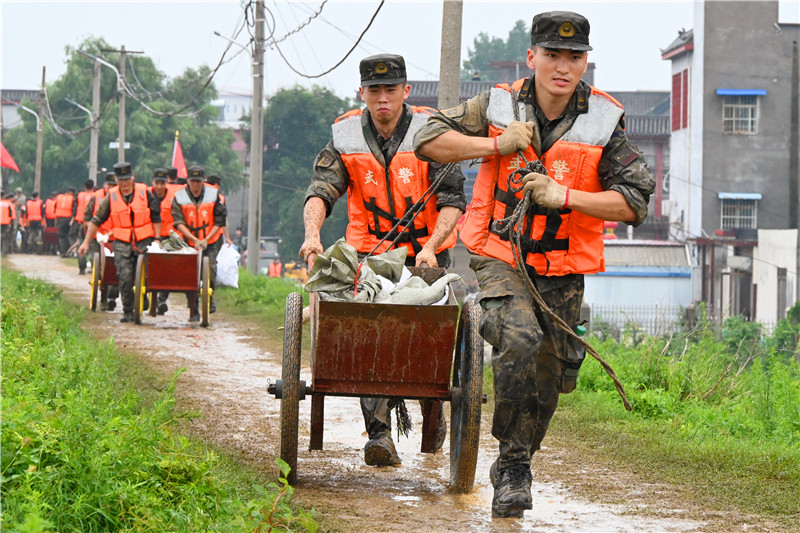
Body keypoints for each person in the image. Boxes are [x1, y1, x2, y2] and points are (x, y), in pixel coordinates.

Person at [414, 11, 655, 518]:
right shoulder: (498, 104)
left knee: (553, 377)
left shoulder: (605, 118)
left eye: (574, 57)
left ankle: (518, 458)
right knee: (521, 337)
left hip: (564, 264)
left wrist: (563, 194)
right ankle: (515, 464)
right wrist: (494, 145)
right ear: (532, 58)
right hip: (500, 252)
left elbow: (635, 202)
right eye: (552, 55)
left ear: (586, 62)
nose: (563, 67)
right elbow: (428, 139)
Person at [299, 53, 467, 467]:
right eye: (374, 91)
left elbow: (452, 201)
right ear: (363, 94)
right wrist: (312, 236)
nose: (383, 99)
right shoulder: (346, 136)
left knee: (430, 334)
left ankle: (433, 411)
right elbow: (321, 190)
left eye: (391, 90)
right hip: (368, 258)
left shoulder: (432, 133)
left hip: (425, 257)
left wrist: (431, 246)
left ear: (406, 91)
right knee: (366, 333)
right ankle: (379, 435)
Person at [78, 162, 162, 323]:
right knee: (124, 276)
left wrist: (157, 239)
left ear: (133, 177)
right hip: (122, 241)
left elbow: (156, 216)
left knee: (147, 273)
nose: (124, 184)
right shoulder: (112, 196)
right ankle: (128, 310)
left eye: (127, 179)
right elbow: (96, 220)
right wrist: (86, 242)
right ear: (116, 179)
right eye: (120, 180)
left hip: (143, 240)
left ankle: (143, 297)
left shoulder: (145, 192)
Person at [172, 165, 226, 321]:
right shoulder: (179, 196)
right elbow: (178, 222)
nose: (195, 185)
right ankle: (193, 308)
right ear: (188, 181)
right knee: (188, 274)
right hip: (189, 240)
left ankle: (209, 298)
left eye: (198, 181)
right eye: (192, 181)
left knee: (210, 269)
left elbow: (220, 221)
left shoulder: (214, 196)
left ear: (203, 181)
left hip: (211, 239)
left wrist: (206, 240)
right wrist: (194, 239)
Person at [84, 172, 119, 311]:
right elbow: (87, 218)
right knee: (100, 269)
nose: (110, 187)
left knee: (116, 266)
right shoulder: (96, 198)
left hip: (116, 237)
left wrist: (111, 233)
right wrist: (96, 233)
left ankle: (112, 297)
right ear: (104, 185)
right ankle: (103, 299)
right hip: (97, 238)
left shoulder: (120, 198)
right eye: (108, 185)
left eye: (113, 185)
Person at [149, 168, 182, 315]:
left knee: (168, 267)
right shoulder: (146, 195)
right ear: (153, 182)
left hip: (169, 237)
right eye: (157, 183)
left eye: (163, 183)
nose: (160, 186)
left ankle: (161, 300)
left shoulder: (174, 197)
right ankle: (143, 295)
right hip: (151, 236)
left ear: (166, 182)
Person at [74, 179, 95, 274]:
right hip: (92, 224)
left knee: (81, 244)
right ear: (93, 187)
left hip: (81, 223)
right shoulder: (96, 196)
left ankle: (82, 268)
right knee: (92, 246)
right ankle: (94, 267)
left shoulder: (80, 195)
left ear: (84, 187)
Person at [204, 174, 232, 245]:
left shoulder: (198, 196)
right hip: (215, 237)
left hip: (198, 234)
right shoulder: (221, 199)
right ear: (216, 185)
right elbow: (224, 220)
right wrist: (227, 238)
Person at [55, 187, 76, 256]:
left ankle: (63, 252)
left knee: (61, 236)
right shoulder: (72, 199)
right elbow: (74, 209)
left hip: (60, 219)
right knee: (68, 235)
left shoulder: (59, 197)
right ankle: (69, 251)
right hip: (68, 219)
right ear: (72, 193)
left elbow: (55, 207)